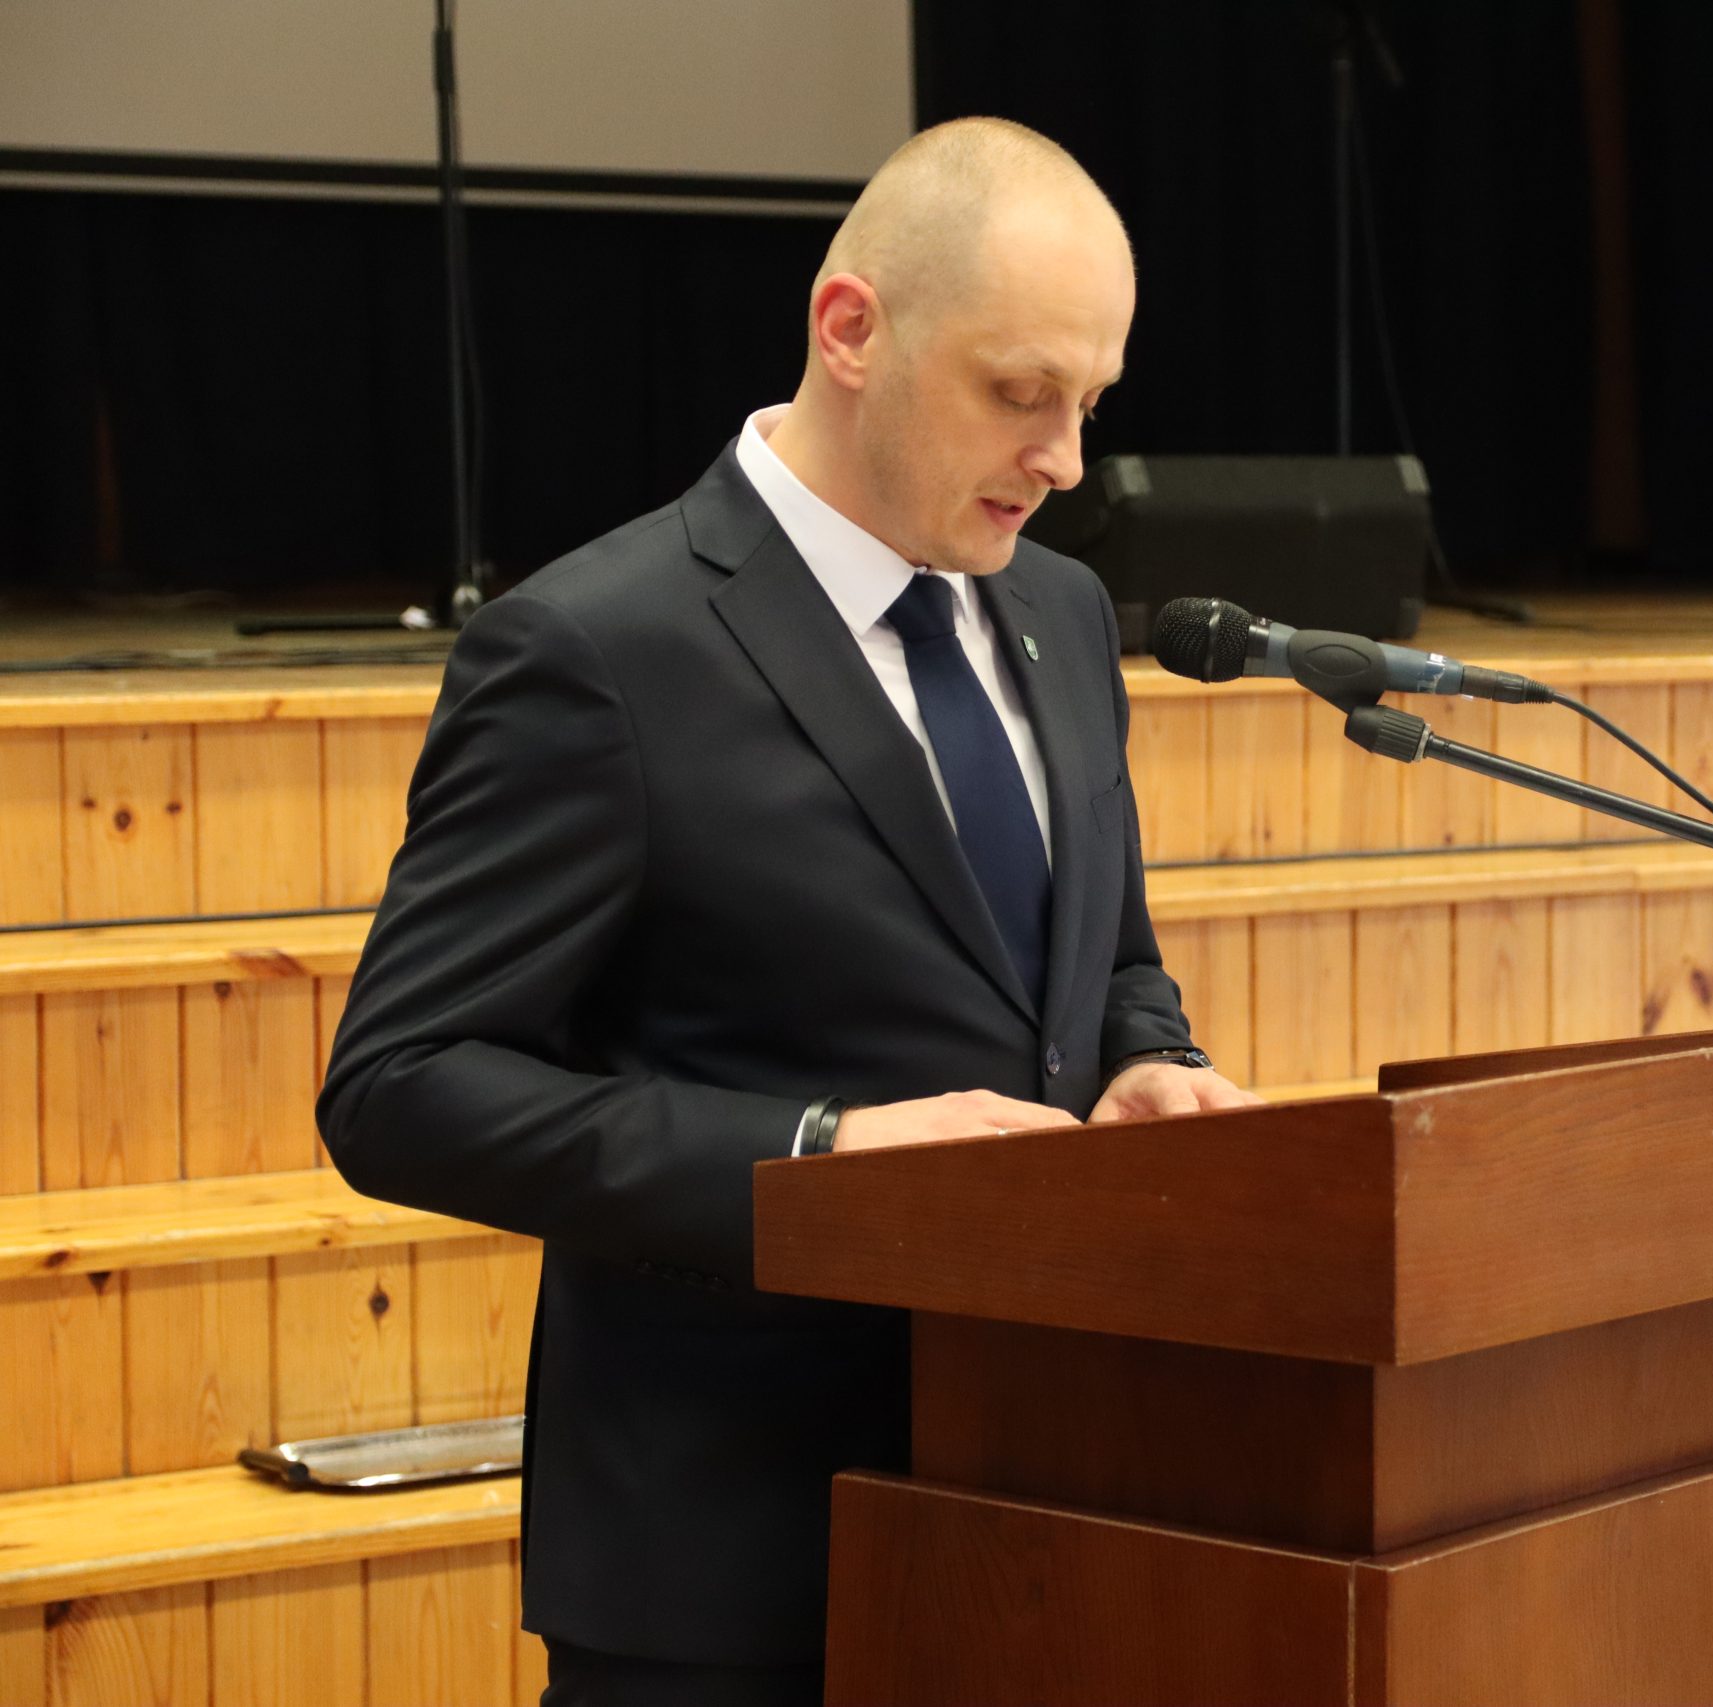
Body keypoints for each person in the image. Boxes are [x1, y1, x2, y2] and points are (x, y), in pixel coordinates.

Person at [316, 116, 1257, 1706]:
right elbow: (400, 1089)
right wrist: (820, 1155)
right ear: (850, 331)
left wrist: (1145, 1060)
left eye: (1091, 404)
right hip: (726, 1562)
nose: (1065, 459)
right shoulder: (597, 650)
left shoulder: (1062, 607)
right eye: (1020, 393)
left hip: (1042, 1510)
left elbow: (1104, 958)